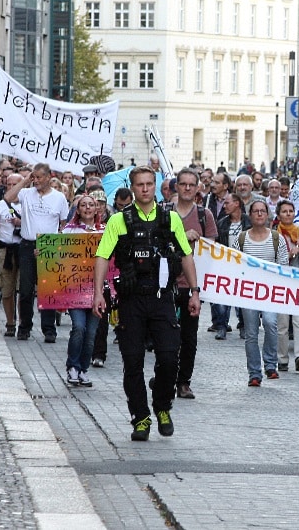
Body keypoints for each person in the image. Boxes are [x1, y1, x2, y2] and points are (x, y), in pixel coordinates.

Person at [92, 165, 200, 441]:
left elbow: (186, 255)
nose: (144, 189)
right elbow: (102, 256)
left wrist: (195, 292)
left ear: (156, 186)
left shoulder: (169, 218)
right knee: (133, 362)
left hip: (163, 298)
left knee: (168, 358)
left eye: (149, 184)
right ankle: (140, 418)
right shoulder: (119, 220)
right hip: (131, 300)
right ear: (132, 186)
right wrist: (97, 294)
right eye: (139, 184)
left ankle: (162, 406)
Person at [2, 163, 71, 342]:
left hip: (49, 245)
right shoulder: (26, 193)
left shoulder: (59, 198)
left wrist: (59, 246)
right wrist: (25, 180)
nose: (37, 180)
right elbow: (8, 197)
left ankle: (49, 329)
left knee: (47, 289)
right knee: (25, 289)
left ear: (49, 177)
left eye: (40, 177)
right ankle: (25, 326)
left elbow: (64, 224)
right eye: (35, 177)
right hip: (27, 244)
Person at [164, 169, 218, 398]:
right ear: (176, 187)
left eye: (191, 185)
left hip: (191, 285)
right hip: (164, 282)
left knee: (189, 336)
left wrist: (201, 239)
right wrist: (181, 236)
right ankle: (165, 375)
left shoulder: (205, 215)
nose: (186, 188)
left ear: (198, 189)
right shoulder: (163, 212)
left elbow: (212, 250)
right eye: (182, 184)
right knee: (163, 336)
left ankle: (183, 381)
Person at [232, 200, 288, 385]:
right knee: (251, 332)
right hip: (249, 292)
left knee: (271, 324)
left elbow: (283, 266)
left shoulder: (276, 238)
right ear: (250, 214)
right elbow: (233, 264)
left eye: (262, 211)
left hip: (270, 291)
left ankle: (270, 364)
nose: (259, 214)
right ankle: (254, 373)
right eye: (255, 211)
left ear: (267, 214)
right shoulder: (241, 238)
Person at [62, 194, 105, 387]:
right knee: (79, 328)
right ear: (77, 210)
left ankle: (83, 369)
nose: (88, 208)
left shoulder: (104, 231)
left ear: (97, 209)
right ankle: (72, 366)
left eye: (91, 205)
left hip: (97, 291)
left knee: (91, 335)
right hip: (75, 289)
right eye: (83, 205)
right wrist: (44, 253)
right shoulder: (68, 230)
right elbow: (59, 255)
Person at [274, 199, 299, 372]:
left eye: (291, 211)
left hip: (298, 281)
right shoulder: (274, 234)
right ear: (278, 215)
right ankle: (282, 358)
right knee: (282, 324)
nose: (288, 214)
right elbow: (270, 259)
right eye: (284, 211)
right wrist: (286, 255)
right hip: (281, 282)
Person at [0, 173, 23, 337]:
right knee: (7, 289)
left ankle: (24, 322)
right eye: (8, 184)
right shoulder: (0, 205)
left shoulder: (27, 203)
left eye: (15, 184)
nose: (11, 187)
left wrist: (21, 223)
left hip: (23, 249)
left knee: (23, 289)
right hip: (5, 250)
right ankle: (10, 322)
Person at [212, 193, 250, 338]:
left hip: (244, 266)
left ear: (236, 204)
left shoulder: (248, 222)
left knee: (243, 297)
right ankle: (221, 326)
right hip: (226, 265)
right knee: (223, 297)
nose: (224, 206)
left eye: (227, 203)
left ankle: (243, 326)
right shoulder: (221, 223)